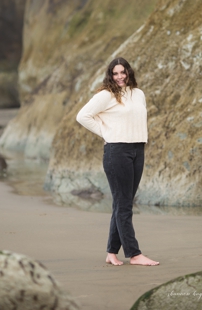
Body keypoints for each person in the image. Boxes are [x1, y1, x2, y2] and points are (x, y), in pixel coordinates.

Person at [76, 57, 159, 266]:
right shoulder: (106, 95)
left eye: (123, 72)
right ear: (110, 75)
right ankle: (134, 254)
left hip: (138, 149)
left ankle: (111, 253)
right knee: (124, 205)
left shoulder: (138, 94)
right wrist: (105, 132)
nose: (120, 77)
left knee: (123, 203)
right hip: (117, 151)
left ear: (129, 72)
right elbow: (83, 116)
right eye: (115, 73)